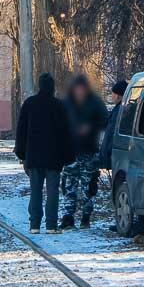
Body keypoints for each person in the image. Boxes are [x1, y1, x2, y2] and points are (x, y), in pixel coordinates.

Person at [15, 73, 74, 234]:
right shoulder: (59, 106)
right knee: (53, 191)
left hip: (33, 157)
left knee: (35, 190)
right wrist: (68, 156)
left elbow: (21, 131)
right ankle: (51, 225)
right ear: (52, 87)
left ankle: (34, 225)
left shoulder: (29, 104)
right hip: (54, 158)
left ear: (39, 86)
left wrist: (21, 154)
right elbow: (66, 134)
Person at [61, 74, 108, 230]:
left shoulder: (95, 104)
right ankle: (68, 217)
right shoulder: (66, 104)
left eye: (82, 89)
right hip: (70, 153)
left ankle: (86, 216)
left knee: (88, 187)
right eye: (77, 89)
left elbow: (104, 123)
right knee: (69, 186)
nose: (79, 92)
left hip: (90, 151)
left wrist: (90, 127)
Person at [91, 80, 129, 198]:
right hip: (113, 153)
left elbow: (111, 135)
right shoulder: (119, 109)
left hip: (113, 154)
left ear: (118, 95)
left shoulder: (120, 111)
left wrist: (105, 154)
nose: (112, 96)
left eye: (113, 93)